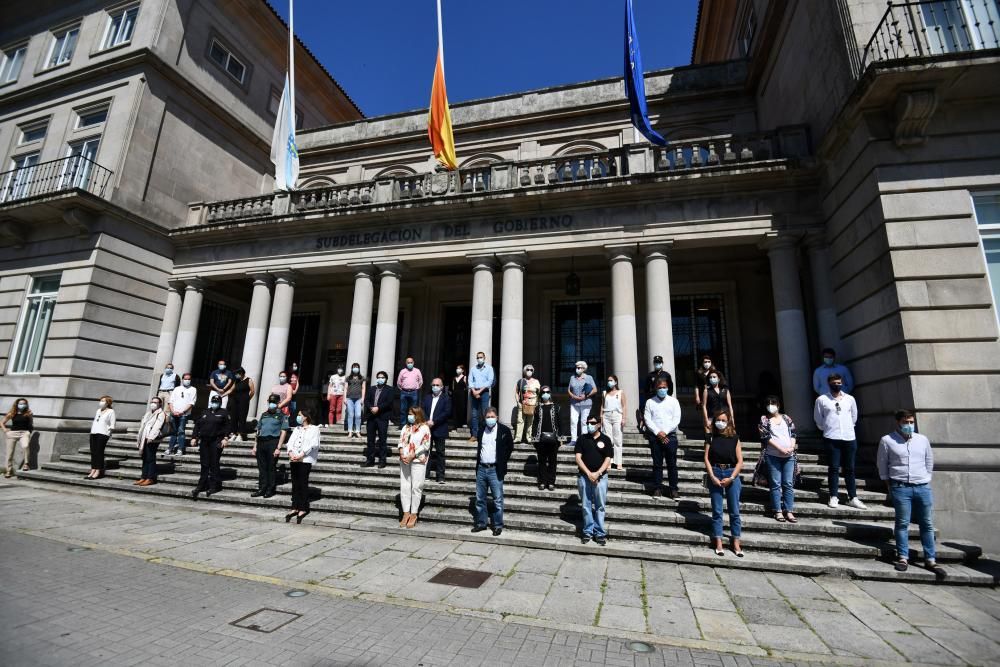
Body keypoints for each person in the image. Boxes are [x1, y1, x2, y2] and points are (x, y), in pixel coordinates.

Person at [878, 409, 943, 576]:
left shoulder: (922, 440)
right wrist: (889, 485)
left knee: (927, 523)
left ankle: (930, 559)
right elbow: (883, 464)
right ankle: (903, 556)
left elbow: (929, 460)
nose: (909, 425)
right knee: (902, 523)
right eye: (905, 422)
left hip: (922, 486)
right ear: (898, 423)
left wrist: (926, 477)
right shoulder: (887, 440)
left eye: (911, 422)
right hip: (901, 487)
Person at [814, 373, 866, 509]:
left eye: (838, 383)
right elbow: (818, 419)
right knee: (834, 468)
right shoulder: (822, 399)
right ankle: (833, 496)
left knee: (850, 468)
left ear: (842, 383)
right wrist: (828, 428)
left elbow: (854, 417)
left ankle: (853, 497)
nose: (836, 385)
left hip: (849, 437)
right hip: (831, 437)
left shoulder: (850, 399)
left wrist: (848, 427)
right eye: (834, 383)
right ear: (829, 383)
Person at [704, 410, 744, 557]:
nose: (720, 422)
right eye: (718, 420)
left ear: (728, 421)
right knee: (717, 511)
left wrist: (732, 477)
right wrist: (712, 476)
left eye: (723, 420)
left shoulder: (734, 437)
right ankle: (719, 541)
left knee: (734, 511)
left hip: (731, 473)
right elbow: (706, 458)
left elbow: (740, 461)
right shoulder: (710, 437)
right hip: (716, 471)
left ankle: (736, 542)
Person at [472, 406, 513, 536]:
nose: (490, 419)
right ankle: (481, 523)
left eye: (492, 417)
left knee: (497, 499)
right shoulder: (481, 430)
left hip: (495, 469)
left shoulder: (504, 430)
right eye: (488, 417)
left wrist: (502, 461)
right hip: (482, 469)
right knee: (480, 498)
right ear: (485, 418)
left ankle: (497, 525)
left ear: (497, 418)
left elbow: (509, 447)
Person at [758, 395, 797, 522]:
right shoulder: (764, 419)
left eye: (773, 403)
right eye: (768, 403)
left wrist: (791, 446)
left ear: (778, 405)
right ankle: (778, 511)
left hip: (789, 456)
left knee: (788, 483)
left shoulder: (786, 418)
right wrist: (780, 448)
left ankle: (789, 510)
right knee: (775, 484)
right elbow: (765, 437)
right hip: (773, 455)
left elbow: (793, 433)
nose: (771, 406)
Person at [576, 416, 613, 545]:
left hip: (601, 478)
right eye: (587, 423)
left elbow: (608, 458)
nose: (589, 425)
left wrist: (598, 473)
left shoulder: (606, 439)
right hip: (584, 477)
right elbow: (578, 458)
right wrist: (588, 473)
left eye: (592, 423)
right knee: (586, 506)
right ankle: (587, 531)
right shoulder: (582, 439)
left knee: (600, 506)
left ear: (599, 424)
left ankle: (600, 533)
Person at [643, 378, 682, 498]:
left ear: (668, 388)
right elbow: (647, 419)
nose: (662, 389)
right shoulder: (650, 402)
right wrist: (657, 432)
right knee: (657, 464)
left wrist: (664, 432)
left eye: (664, 387)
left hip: (670, 436)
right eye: (659, 387)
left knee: (672, 464)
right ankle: (657, 488)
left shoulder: (674, 401)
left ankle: (673, 489)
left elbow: (676, 419)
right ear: (655, 388)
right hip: (655, 437)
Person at [189, 394, 230, 498]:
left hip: (216, 441)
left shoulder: (223, 413)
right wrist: (194, 437)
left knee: (214, 463)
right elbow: (197, 425)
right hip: (204, 441)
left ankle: (215, 485)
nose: (214, 403)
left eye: (216, 401)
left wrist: (225, 438)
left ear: (220, 403)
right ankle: (202, 484)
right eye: (213, 401)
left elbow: (227, 427)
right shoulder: (205, 412)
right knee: (204, 463)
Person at [398, 406, 431, 527]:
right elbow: (401, 441)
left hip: (418, 460)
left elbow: (426, 445)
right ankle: (405, 512)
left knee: (416, 487)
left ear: (418, 415)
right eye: (409, 414)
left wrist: (414, 454)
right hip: (405, 460)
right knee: (405, 486)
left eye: (412, 414)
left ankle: (414, 513)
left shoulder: (424, 428)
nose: (410, 416)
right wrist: (401, 452)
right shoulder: (405, 427)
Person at [285, 410, 320, 524]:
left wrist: (301, 455)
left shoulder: (314, 429)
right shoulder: (297, 429)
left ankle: (303, 508)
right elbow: (290, 442)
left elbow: (314, 444)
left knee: (302, 483)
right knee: (295, 483)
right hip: (294, 458)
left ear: (305, 417)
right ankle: (294, 506)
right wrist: (291, 453)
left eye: (300, 415)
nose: (298, 417)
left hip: (305, 459)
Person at [252, 394, 289, 498]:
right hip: (261, 442)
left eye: (273, 402)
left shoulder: (282, 416)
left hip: (273, 442)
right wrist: (255, 445)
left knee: (271, 467)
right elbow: (258, 430)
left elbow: (283, 432)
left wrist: (278, 447)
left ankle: (270, 489)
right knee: (262, 467)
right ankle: (261, 488)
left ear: (277, 403)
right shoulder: (264, 414)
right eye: (270, 402)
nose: (271, 404)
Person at [531, 386, 562, 490]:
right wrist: (534, 437)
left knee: (553, 461)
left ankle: (551, 482)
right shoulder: (537, 408)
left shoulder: (556, 407)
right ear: (541, 394)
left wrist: (560, 437)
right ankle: (542, 482)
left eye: (547, 392)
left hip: (554, 438)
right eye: (543, 392)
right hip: (541, 439)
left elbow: (560, 423)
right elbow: (535, 423)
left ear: (550, 393)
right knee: (542, 461)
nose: (545, 394)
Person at [422, 377, 452, 483]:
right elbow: (422, 410)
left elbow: (446, 413)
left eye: (437, 385)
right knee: (426, 452)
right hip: (427, 429)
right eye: (433, 385)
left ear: (442, 387)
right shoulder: (427, 398)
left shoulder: (446, 398)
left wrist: (434, 421)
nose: (435, 387)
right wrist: (426, 421)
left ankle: (440, 476)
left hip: (439, 428)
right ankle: (426, 475)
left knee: (440, 453)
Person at [363, 371, 394, 468]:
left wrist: (378, 408)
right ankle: (370, 460)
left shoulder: (389, 389)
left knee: (382, 440)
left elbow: (389, 402)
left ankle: (382, 460)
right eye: (379, 377)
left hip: (382, 417)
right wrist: (371, 407)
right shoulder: (372, 389)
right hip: (371, 417)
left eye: (383, 377)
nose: (380, 379)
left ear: (386, 379)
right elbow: (366, 400)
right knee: (370, 440)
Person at [135, 397, 166, 486]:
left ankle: (150, 478)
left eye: (155, 402)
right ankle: (143, 477)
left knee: (150, 458)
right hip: (144, 437)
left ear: (160, 404)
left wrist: (151, 437)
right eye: (152, 402)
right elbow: (143, 425)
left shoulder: (161, 413)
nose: (153, 404)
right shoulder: (148, 413)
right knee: (144, 458)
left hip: (152, 439)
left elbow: (157, 426)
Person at [166, 373, 197, 456]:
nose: (187, 380)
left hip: (184, 414)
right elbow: (170, 401)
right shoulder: (177, 389)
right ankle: (170, 448)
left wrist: (182, 412)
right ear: (182, 379)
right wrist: (173, 411)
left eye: (189, 379)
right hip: (174, 413)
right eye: (185, 379)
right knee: (173, 432)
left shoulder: (193, 389)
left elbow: (191, 403)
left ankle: (180, 449)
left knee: (181, 431)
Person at [567, 360, 597, 444]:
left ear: (584, 369)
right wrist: (573, 396)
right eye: (576, 367)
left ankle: (583, 439)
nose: (577, 369)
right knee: (573, 420)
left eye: (579, 367)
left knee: (584, 421)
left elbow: (595, 390)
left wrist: (586, 396)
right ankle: (573, 440)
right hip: (574, 402)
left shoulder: (589, 377)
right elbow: (569, 389)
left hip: (586, 403)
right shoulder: (572, 377)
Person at [600, 375, 627, 470]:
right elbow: (602, 406)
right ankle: (609, 461)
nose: (609, 382)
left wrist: (624, 418)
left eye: (611, 380)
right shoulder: (604, 393)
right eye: (608, 380)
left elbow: (624, 406)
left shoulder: (620, 392)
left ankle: (618, 462)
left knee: (617, 439)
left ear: (616, 382)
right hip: (606, 415)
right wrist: (601, 417)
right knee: (608, 439)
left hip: (617, 415)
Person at [701, 369, 735, 442]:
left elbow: (730, 406)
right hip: (712, 416)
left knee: (727, 436)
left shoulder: (725, 390)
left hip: (725, 416)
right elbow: (704, 406)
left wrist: (732, 418)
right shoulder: (706, 391)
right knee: (710, 438)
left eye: (714, 377)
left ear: (719, 379)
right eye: (710, 377)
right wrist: (706, 420)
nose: (712, 379)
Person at [2, 398, 33, 476]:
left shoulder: (28, 413)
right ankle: (8, 471)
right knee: (10, 453)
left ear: (26, 405)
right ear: (17, 404)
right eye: (20, 403)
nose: (22, 405)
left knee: (25, 446)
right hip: (13, 433)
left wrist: (29, 432)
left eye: (23, 403)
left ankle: (26, 464)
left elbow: (31, 423)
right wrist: (5, 430)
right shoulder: (12, 413)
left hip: (24, 433)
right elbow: (2, 422)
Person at [86, 396, 115, 479]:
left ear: (107, 403)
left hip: (103, 434)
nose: (101, 402)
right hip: (94, 433)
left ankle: (98, 471)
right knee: (93, 452)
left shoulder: (111, 411)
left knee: (99, 452)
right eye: (100, 400)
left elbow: (112, 425)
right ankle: (93, 469)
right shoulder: (98, 411)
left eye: (103, 401)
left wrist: (108, 433)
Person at [468, 352, 494, 442]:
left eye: (481, 357)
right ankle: (474, 435)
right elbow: (470, 380)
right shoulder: (473, 369)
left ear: (484, 358)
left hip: (484, 392)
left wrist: (479, 391)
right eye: (478, 357)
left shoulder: (489, 368)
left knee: (484, 413)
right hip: (474, 391)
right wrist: (474, 391)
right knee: (474, 414)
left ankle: (484, 433)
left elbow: (489, 381)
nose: (479, 359)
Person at [513, 364, 540, 444]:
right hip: (522, 404)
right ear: (524, 371)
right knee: (520, 421)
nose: (529, 371)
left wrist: (537, 403)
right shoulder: (521, 381)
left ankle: (528, 438)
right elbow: (516, 392)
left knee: (530, 421)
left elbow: (539, 393)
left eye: (531, 370)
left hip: (532, 404)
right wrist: (518, 402)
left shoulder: (536, 382)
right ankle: (518, 438)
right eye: (528, 369)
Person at [228, 367, 254, 442]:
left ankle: (240, 434)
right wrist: (223, 394)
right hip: (235, 401)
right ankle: (234, 434)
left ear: (241, 373)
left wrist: (247, 398)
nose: (236, 375)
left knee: (242, 417)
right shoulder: (236, 381)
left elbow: (252, 391)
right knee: (234, 417)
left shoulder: (249, 380)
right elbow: (231, 389)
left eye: (237, 374)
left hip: (244, 401)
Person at [396, 356, 423, 425]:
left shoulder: (417, 371)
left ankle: (412, 424)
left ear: (413, 363)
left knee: (414, 410)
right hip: (404, 392)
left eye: (411, 362)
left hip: (413, 392)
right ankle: (403, 425)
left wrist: (416, 388)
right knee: (403, 409)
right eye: (408, 362)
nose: (410, 364)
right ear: (406, 363)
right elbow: (399, 382)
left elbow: (421, 381)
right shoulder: (403, 371)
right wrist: (402, 388)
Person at [345, 363, 366, 438]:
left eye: (357, 367)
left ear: (359, 368)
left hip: (358, 399)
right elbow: (346, 388)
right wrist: (345, 398)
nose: (355, 368)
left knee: (358, 415)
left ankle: (357, 431)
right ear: (352, 368)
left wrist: (363, 398)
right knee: (350, 415)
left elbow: (363, 388)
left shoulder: (362, 378)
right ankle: (350, 431)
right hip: (350, 398)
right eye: (354, 367)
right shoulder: (348, 378)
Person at [450, 364, 468, 429]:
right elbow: (453, 387)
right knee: (455, 409)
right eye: (457, 368)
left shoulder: (464, 377)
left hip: (462, 394)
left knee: (461, 408)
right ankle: (455, 424)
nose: (458, 370)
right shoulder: (454, 378)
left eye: (459, 368)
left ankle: (462, 423)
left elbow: (466, 387)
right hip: (455, 395)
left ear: (462, 370)